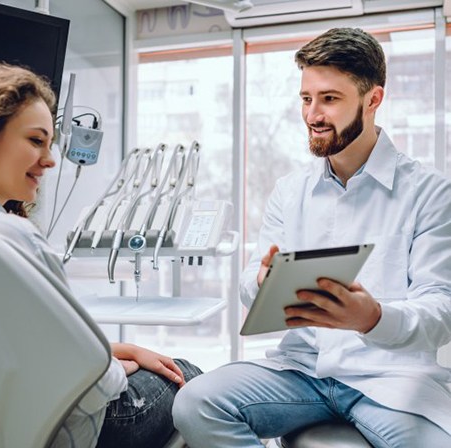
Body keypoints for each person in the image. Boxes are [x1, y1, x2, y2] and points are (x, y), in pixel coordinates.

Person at [172, 27, 451, 447]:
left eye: (330, 99)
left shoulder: (430, 192)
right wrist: (264, 283)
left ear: (373, 99)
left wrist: (371, 319)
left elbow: (441, 310)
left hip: (391, 376)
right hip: (303, 371)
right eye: (307, 99)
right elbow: (251, 285)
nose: (313, 115)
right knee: (195, 404)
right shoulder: (290, 190)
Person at [0, 61, 202, 448]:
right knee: (190, 375)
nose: (50, 160)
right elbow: (100, 383)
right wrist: (117, 364)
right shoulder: (13, 238)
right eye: (36, 141)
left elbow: (1, 346)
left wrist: (119, 350)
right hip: (70, 432)